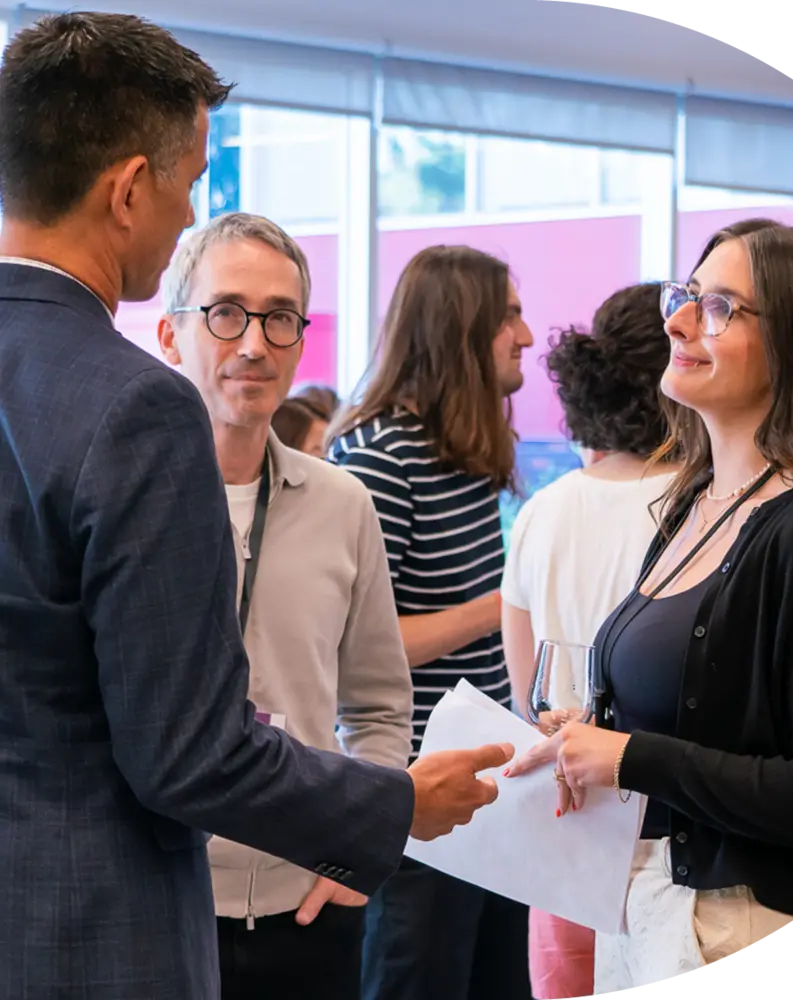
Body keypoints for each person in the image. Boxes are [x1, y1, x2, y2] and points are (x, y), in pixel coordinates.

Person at [0, 15, 511, 999]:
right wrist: (398, 803)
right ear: (129, 189)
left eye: (281, 318)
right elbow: (185, 754)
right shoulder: (135, 408)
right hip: (94, 937)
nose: (188, 210)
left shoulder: (331, 494)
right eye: (190, 184)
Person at [506, 219, 793, 988]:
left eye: (719, 306)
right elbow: (705, 721)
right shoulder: (698, 502)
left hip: (732, 922)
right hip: (649, 905)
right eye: (684, 296)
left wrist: (631, 755)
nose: (678, 321)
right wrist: (596, 736)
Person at [157, 211, 413, 1000]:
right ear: (171, 334)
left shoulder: (343, 503)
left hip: (307, 909)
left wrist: (353, 858)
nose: (254, 343)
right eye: (226, 312)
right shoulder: (125, 499)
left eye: (279, 319)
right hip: (159, 904)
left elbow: (378, 704)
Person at [330, 245, 535, 1000]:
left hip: (485, 790)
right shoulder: (379, 458)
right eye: (508, 315)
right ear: (461, 328)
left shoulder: (467, 451)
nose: (527, 335)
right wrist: (503, 603)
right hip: (414, 798)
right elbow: (359, 649)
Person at [500, 282, 679, 1000]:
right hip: (658, 837)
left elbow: (527, 695)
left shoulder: (543, 509)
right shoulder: (697, 510)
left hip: (563, 828)